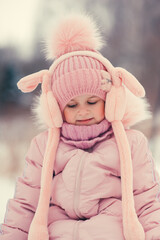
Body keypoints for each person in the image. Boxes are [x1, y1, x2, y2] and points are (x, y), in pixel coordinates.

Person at [0, 12, 160, 240]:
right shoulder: (44, 146)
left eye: (92, 102)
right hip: (58, 232)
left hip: (111, 232)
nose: (83, 111)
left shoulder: (130, 143)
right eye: (72, 105)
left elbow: (147, 200)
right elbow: (26, 203)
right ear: (57, 109)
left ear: (109, 100)